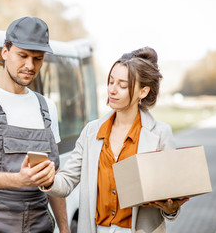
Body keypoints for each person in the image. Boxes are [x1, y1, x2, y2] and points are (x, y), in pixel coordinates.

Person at [41, 47, 189, 233]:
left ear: (143, 92)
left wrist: (171, 209)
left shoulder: (160, 134)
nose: (112, 89)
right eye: (111, 82)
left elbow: (170, 195)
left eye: (122, 85)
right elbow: (66, 181)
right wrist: (47, 180)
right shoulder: (91, 132)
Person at [0, 17, 70, 233]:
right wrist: (18, 180)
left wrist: (64, 228)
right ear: (5, 52)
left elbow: (53, 175)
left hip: (40, 223)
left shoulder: (46, 107)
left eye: (37, 58)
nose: (30, 65)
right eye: (23, 55)